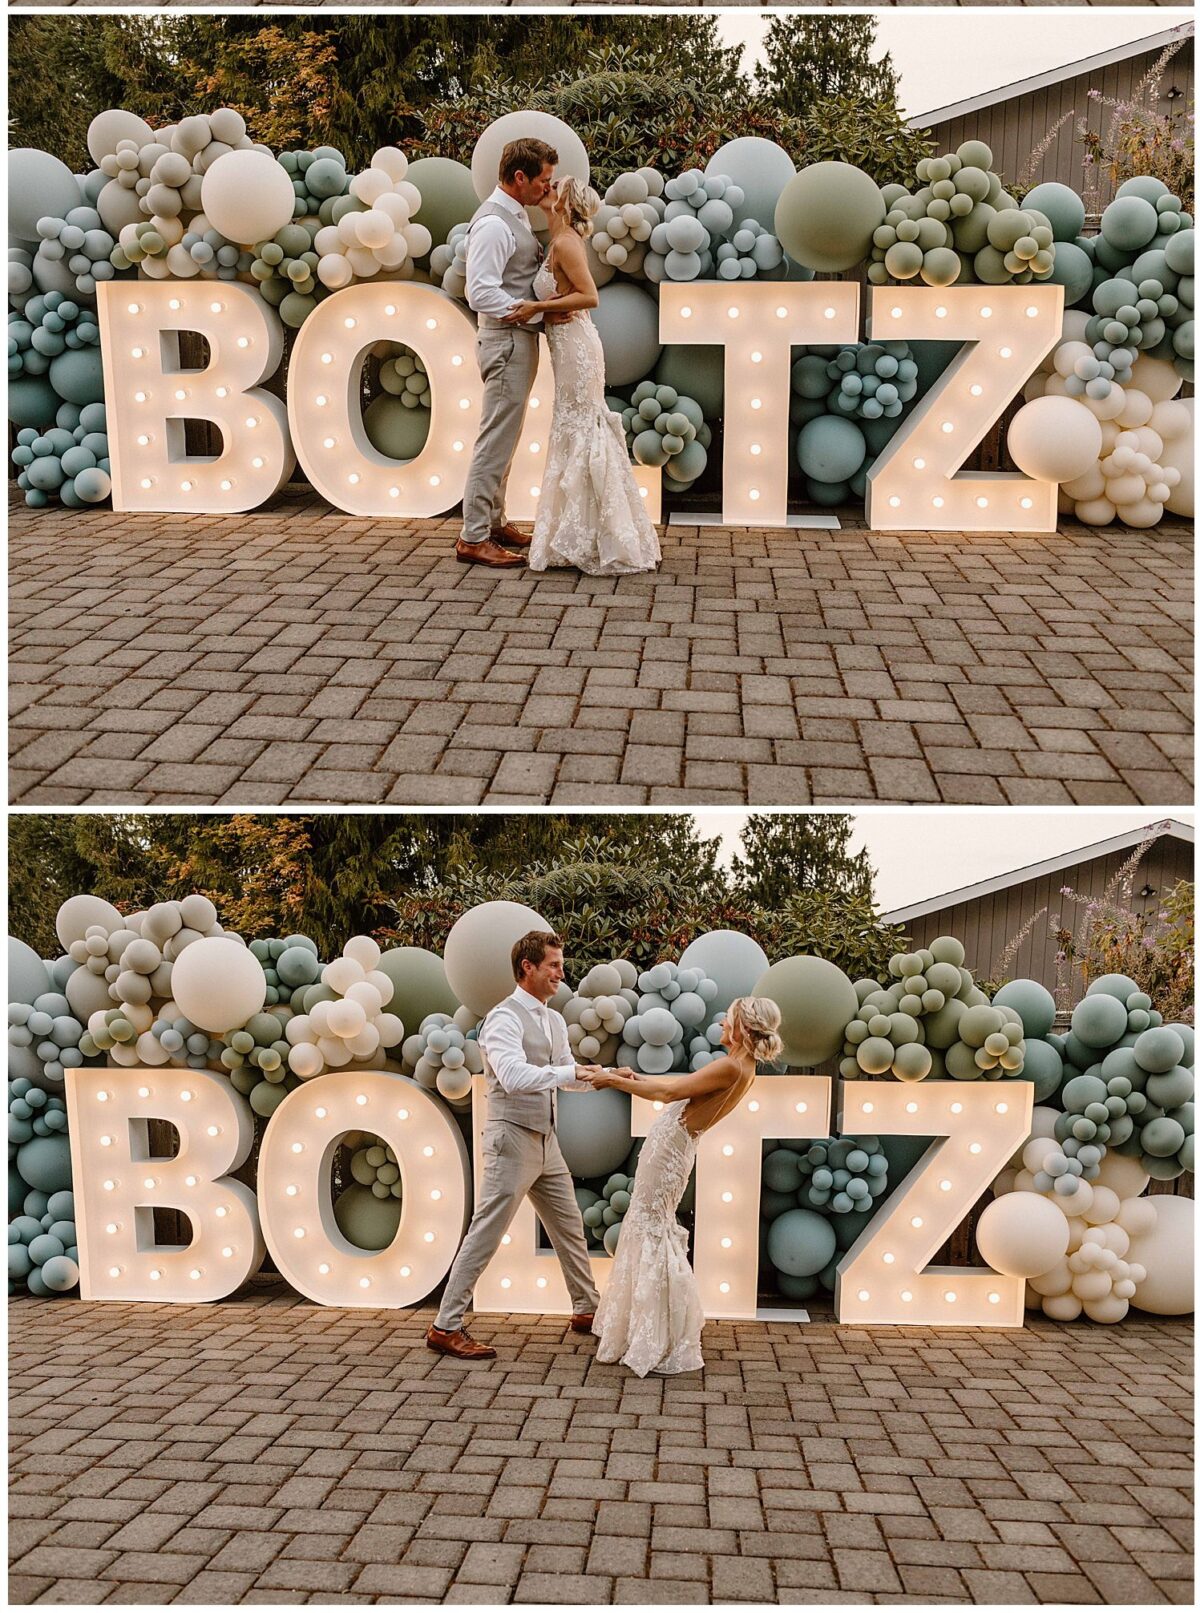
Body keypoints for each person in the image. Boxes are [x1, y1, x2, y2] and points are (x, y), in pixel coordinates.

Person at [584, 996, 783, 1377]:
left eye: (730, 1016)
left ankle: (657, 1332)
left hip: (671, 1148)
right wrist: (634, 1078)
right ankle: (643, 1326)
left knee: (651, 1226)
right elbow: (680, 1088)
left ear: (741, 1026)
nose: (724, 1020)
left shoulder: (731, 1066)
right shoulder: (741, 1066)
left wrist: (610, 1081)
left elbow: (670, 1095)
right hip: (673, 1146)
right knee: (648, 1226)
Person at [427, 930, 602, 1359]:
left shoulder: (554, 1019)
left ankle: (587, 1310)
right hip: (511, 1140)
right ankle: (444, 1327)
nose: (562, 973)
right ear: (527, 968)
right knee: (486, 1232)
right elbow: (514, 1078)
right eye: (554, 966)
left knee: (569, 1227)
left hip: (547, 1141)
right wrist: (574, 1075)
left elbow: (567, 1077)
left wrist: (605, 1076)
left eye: (561, 965)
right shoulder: (502, 1019)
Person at [503, 176, 662, 576]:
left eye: (553, 186)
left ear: (563, 204)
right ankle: (577, 533)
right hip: (565, 341)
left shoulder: (568, 243)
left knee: (580, 425)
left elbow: (590, 295)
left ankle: (597, 535)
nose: (545, 188)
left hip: (577, 347)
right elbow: (566, 294)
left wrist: (532, 307)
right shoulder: (555, 242)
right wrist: (546, 309)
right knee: (572, 427)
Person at [457, 137, 565, 570]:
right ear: (519, 177)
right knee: (495, 438)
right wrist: (528, 312)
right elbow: (479, 289)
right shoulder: (493, 224)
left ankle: (496, 522)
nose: (547, 187)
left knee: (507, 435)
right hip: (504, 340)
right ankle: (473, 537)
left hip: (515, 339)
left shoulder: (515, 214)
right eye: (543, 180)